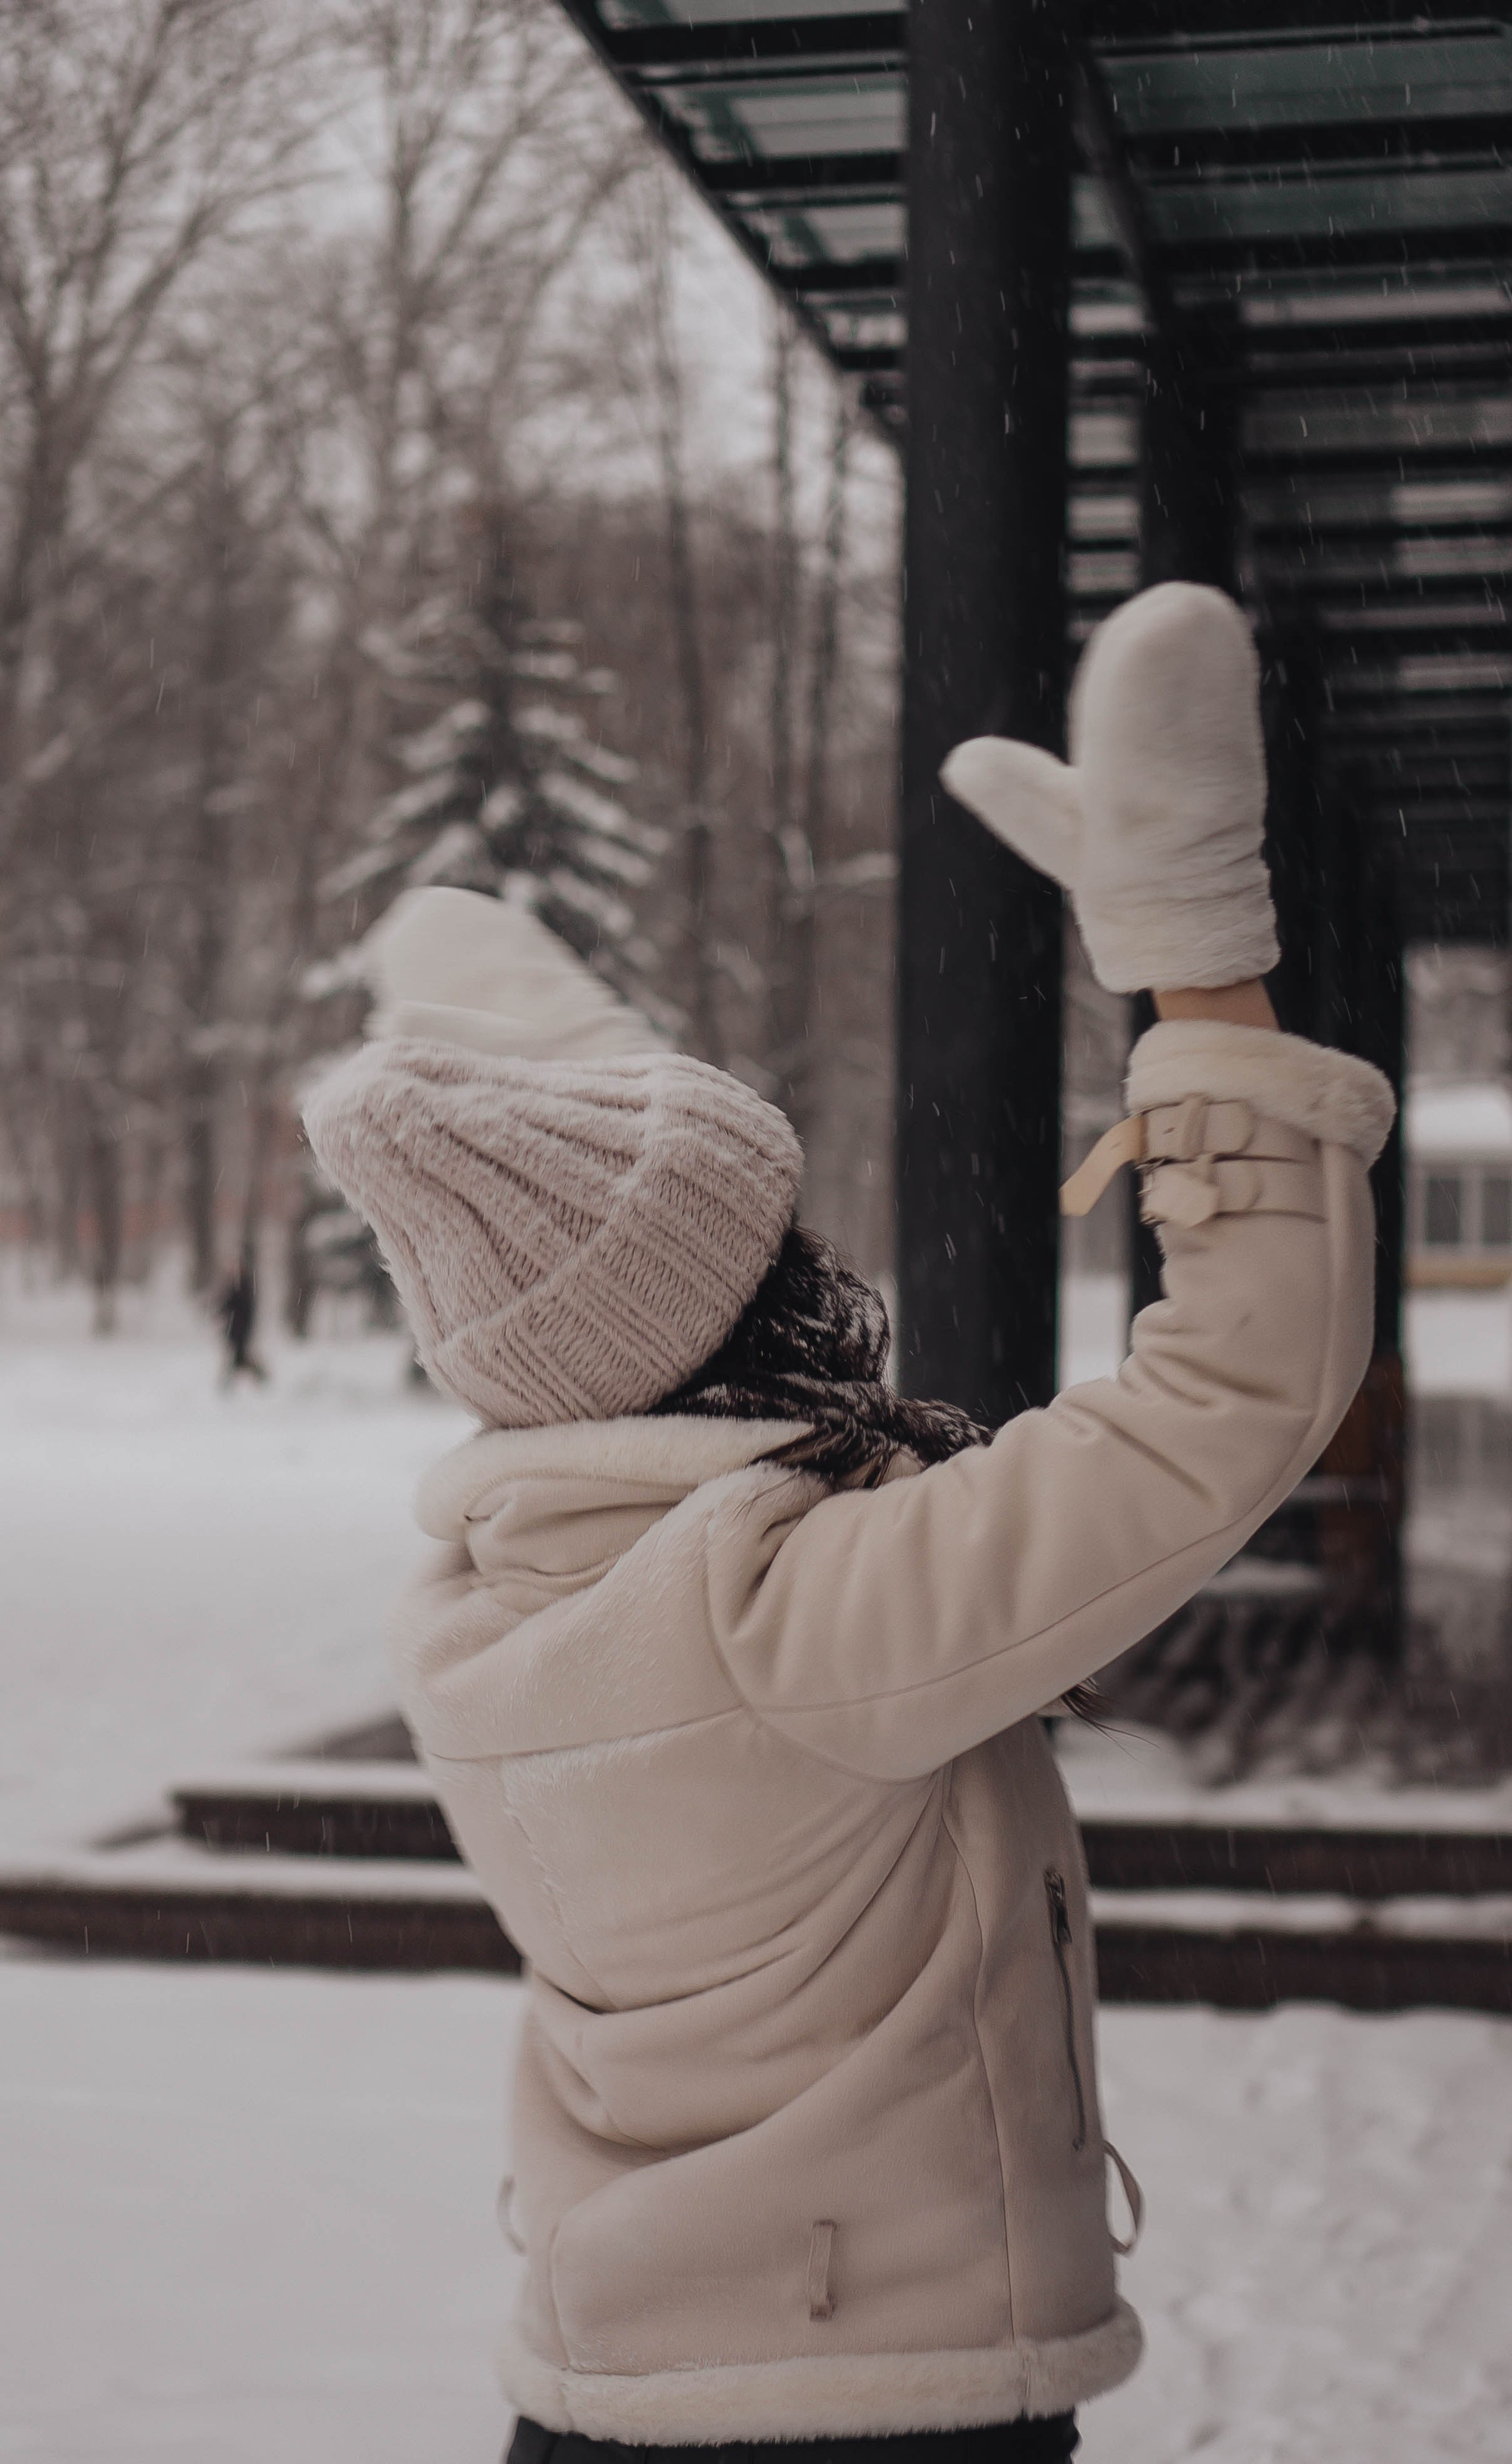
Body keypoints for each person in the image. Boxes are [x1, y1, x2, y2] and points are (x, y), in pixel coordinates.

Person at [302, 584, 1391, 2464]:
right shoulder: (790, 1618)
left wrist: (558, 1109)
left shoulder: (490, 1609)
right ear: (757, 1310)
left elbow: (604, 1304)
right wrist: (1192, 963)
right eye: (778, 1241)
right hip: (866, 2415)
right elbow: (1239, 1384)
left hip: (627, 2386)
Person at [216, 1247, 268, 1386]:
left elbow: (240, 1305)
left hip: (240, 1326)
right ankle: (257, 1376)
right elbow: (228, 1303)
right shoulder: (236, 1283)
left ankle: (258, 1376)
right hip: (235, 1326)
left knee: (239, 1357)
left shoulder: (243, 1284)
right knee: (238, 1356)